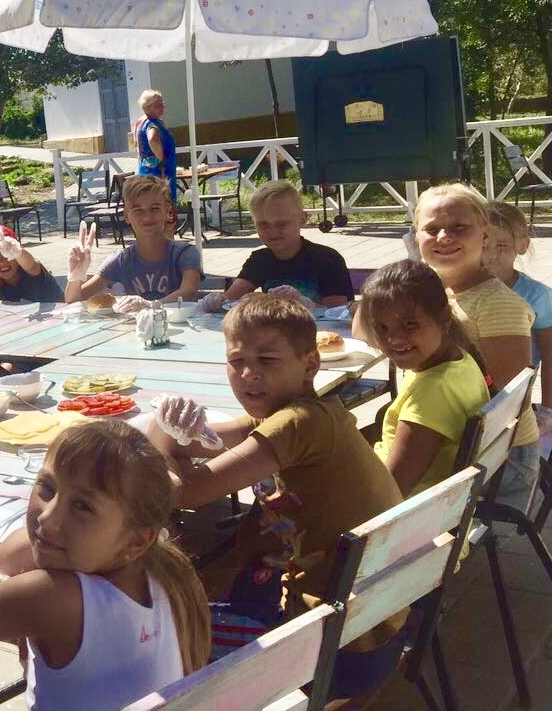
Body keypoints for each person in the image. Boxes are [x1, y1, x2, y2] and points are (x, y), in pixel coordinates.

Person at [147, 295, 407, 699]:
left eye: (266, 361)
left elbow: (183, 494)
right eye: (236, 361)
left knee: (160, 635)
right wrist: (166, 427)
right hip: (372, 625)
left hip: (335, 654)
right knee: (221, 582)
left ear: (310, 364)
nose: (248, 374)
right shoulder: (304, 413)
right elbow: (194, 444)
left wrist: (161, 441)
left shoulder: (297, 424)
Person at [0, 421, 209, 710]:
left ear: (137, 541)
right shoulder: (163, 570)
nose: (47, 517)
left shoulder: (52, 596)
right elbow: (9, 556)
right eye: (47, 488)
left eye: (83, 506)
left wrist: (7, 585)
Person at [401, 183, 539, 512]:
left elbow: (506, 401)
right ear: (415, 238)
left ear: (485, 236)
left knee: (374, 489)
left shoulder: (495, 303)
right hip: (455, 437)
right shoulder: (434, 292)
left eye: (459, 227)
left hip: (499, 458)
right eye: (431, 229)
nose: (444, 237)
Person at [362, 260, 490, 497]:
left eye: (409, 325)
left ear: (444, 319)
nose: (394, 339)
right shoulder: (459, 356)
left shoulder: (432, 393)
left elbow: (392, 492)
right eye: (382, 327)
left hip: (403, 511)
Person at [198, 181, 353, 311]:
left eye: (281, 224)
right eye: (263, 224)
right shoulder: (260, 260)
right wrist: (217, 300)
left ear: (302, 219)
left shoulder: (327, 259)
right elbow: (230, 299)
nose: (272, 232)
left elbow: (338, 312)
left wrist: (305, 304)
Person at [65, 176, 201, 307]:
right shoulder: (121, 259)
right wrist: (76, 275)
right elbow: (74, 300)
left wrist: (150, 305)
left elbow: (189, 291)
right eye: (138, 210)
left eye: (154, 209)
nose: (147, 217)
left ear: (167, 212)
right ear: (126, 216)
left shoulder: (184, 253)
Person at [486, 202, 552, 434]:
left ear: (522, 245)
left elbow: (550, 354)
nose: (490, 253)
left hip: (512, 406)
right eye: (483, 243)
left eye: (502, 245)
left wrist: (547, 411)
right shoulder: (457, 288)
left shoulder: (537, 296)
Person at [132, 90, 177, 202]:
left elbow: (136, 143)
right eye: (158, 105)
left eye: (162, 104)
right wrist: (162, 160)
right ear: (147, 107)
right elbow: (152, 139)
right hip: (159, 174)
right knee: (162, 205)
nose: (162, 107)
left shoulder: (141, 122)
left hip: (147, 171)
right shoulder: (151, 124)